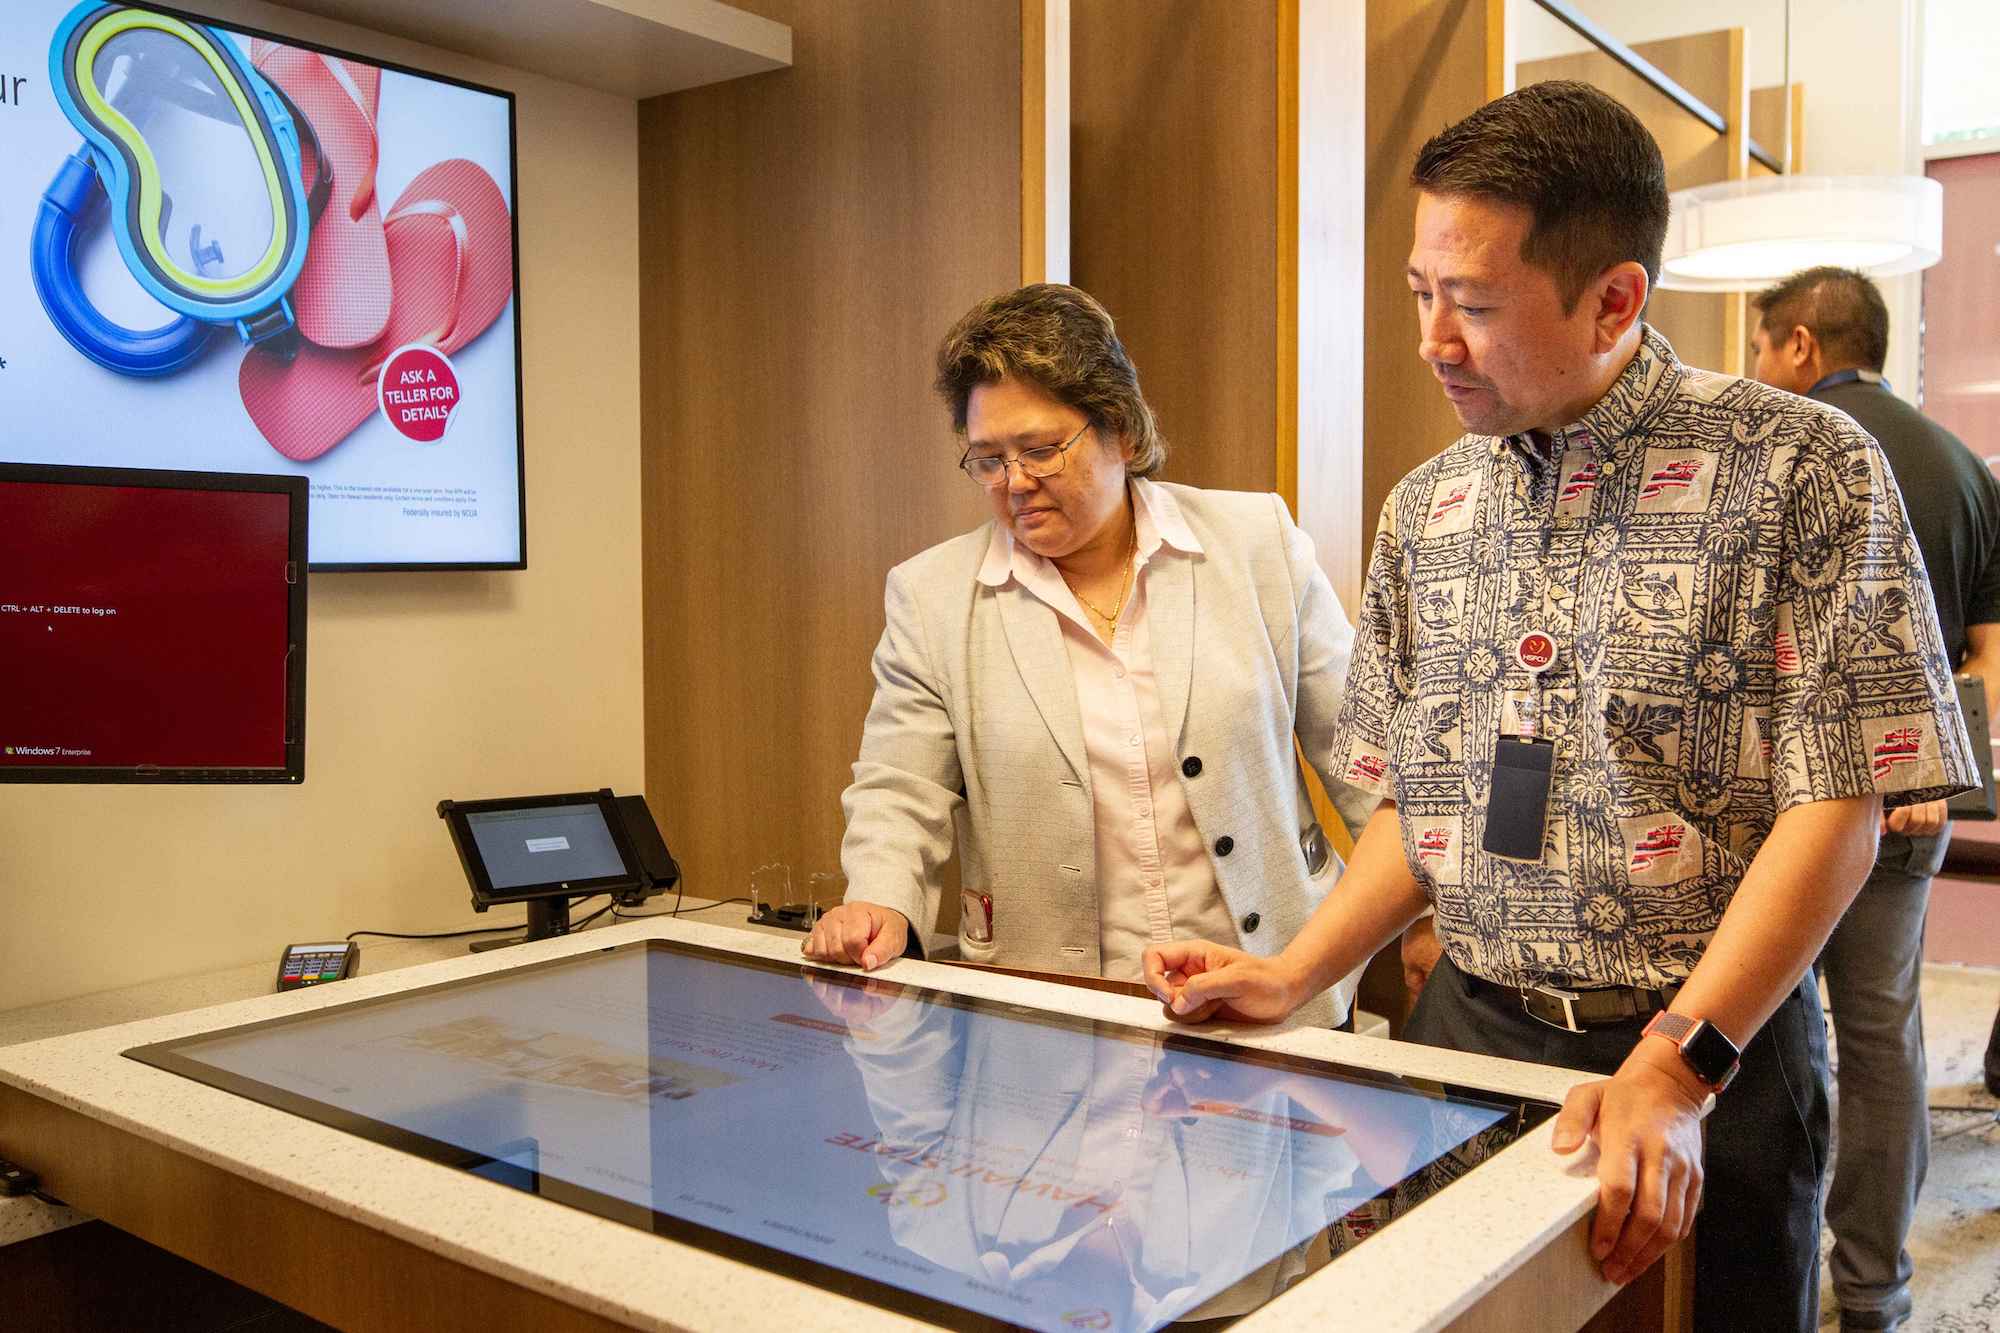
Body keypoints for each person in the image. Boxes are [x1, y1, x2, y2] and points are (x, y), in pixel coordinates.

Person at [1142, 81, 1978, 1333]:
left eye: (1472, 305)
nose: (1432, 338)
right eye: (1422, 291)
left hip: (1711, 1058)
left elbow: (1837, 814)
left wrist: (1679, 1068)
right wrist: (1295, 969)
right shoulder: (1425, 509)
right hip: (1462, 1044)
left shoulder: (1801, 467)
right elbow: (1410, 811)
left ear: (1614, 300)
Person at [804, 283, 1373, 1031]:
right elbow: (899, 786)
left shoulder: (1255, 543)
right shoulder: (933, 597)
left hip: (1275, 995)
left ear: (1122, 433)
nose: (1016, 483)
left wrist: (1425, 917)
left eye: (1041, 450)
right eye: (988, 460)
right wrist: (879, 895)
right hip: (1057, 1021)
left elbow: (1364, 755)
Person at [1748, 264, 2000, 1332]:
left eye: (1762, 347)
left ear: (1802, 346)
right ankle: (1873, 1293)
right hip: (1915, 805)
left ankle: (1767, 1269)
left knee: (1771, 1027)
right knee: (1882, 1033)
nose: (1756, 370)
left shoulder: (1783, 451)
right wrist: (1936, 768)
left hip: (1789, 808)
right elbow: (1986, 645)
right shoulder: (1963, 464)